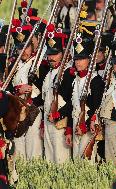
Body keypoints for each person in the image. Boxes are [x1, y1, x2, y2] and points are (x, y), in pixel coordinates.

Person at [68, 29, 104, 160]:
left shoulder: (95, 80)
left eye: (82, 59)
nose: (78, 62)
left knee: (87, 161)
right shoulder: (75, 79)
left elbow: (96, 107)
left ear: (89, 59)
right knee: (77, 160)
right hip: (76, 124)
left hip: (88, 127)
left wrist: (86, 123)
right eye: (77, 59)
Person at [10, 19, 43, 160]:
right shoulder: (12, 64)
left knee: (33, 144)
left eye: (26, 47)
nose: (23, 51)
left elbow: (43, 88)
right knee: (18, 144)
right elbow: (8, 87)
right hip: (16, 108)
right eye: (19, 48)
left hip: (33, 108)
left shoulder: (40, 63)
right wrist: (17, 90)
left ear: (32, 46)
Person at [42, 24, 73, 163]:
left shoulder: (67, 73)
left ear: (63, 53)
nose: (51, 58)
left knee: (61, 160)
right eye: (49, 54)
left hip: (60, 122)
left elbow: (71, 102)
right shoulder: (49, 73)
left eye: (55, 54)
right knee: (49, 159)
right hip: (48, 120)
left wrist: (59, 114)